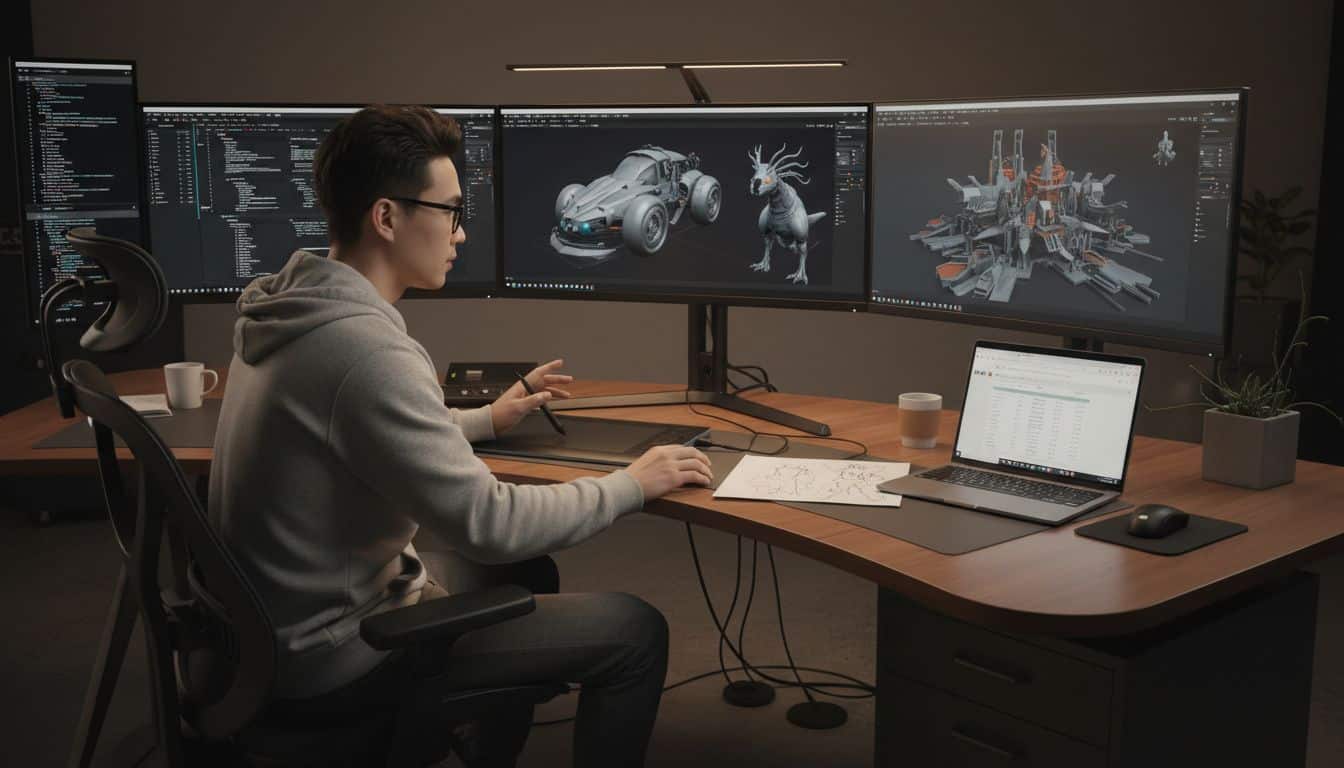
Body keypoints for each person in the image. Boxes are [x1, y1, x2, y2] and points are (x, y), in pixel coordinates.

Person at [208, 104, 714, 767]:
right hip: (338, 654)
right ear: (386, 217)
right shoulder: (366, 352)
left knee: (524, 573)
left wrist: (483, 421)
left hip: (268, 634)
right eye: (449, 211)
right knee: (634, 631)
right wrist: (631, 485)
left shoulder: (289, 308)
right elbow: (490, 522)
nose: (462, 233)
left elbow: (352, 427)